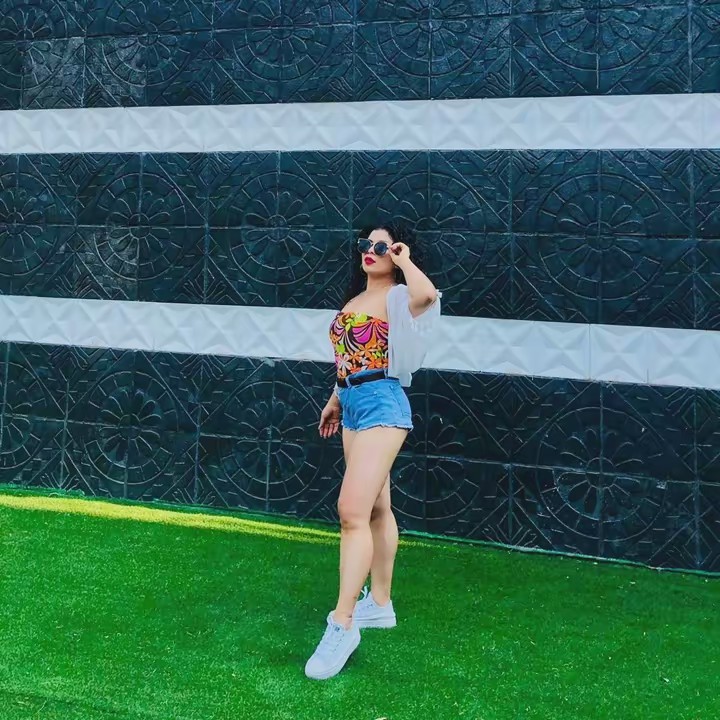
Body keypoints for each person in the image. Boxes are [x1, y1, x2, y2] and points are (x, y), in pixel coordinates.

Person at [304, 222, 442, 680]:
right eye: (366, 243)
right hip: (353, 404)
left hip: (384, 403)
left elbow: (428, 296)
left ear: (396, 252)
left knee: (351, 510)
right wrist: (334, 398)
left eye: (382, 246)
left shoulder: (398, 296)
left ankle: (342, 622)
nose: (371, 251)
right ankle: (379, 603)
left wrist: (403, 260)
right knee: (378, 508)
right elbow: (348, 361)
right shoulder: (355, 299)